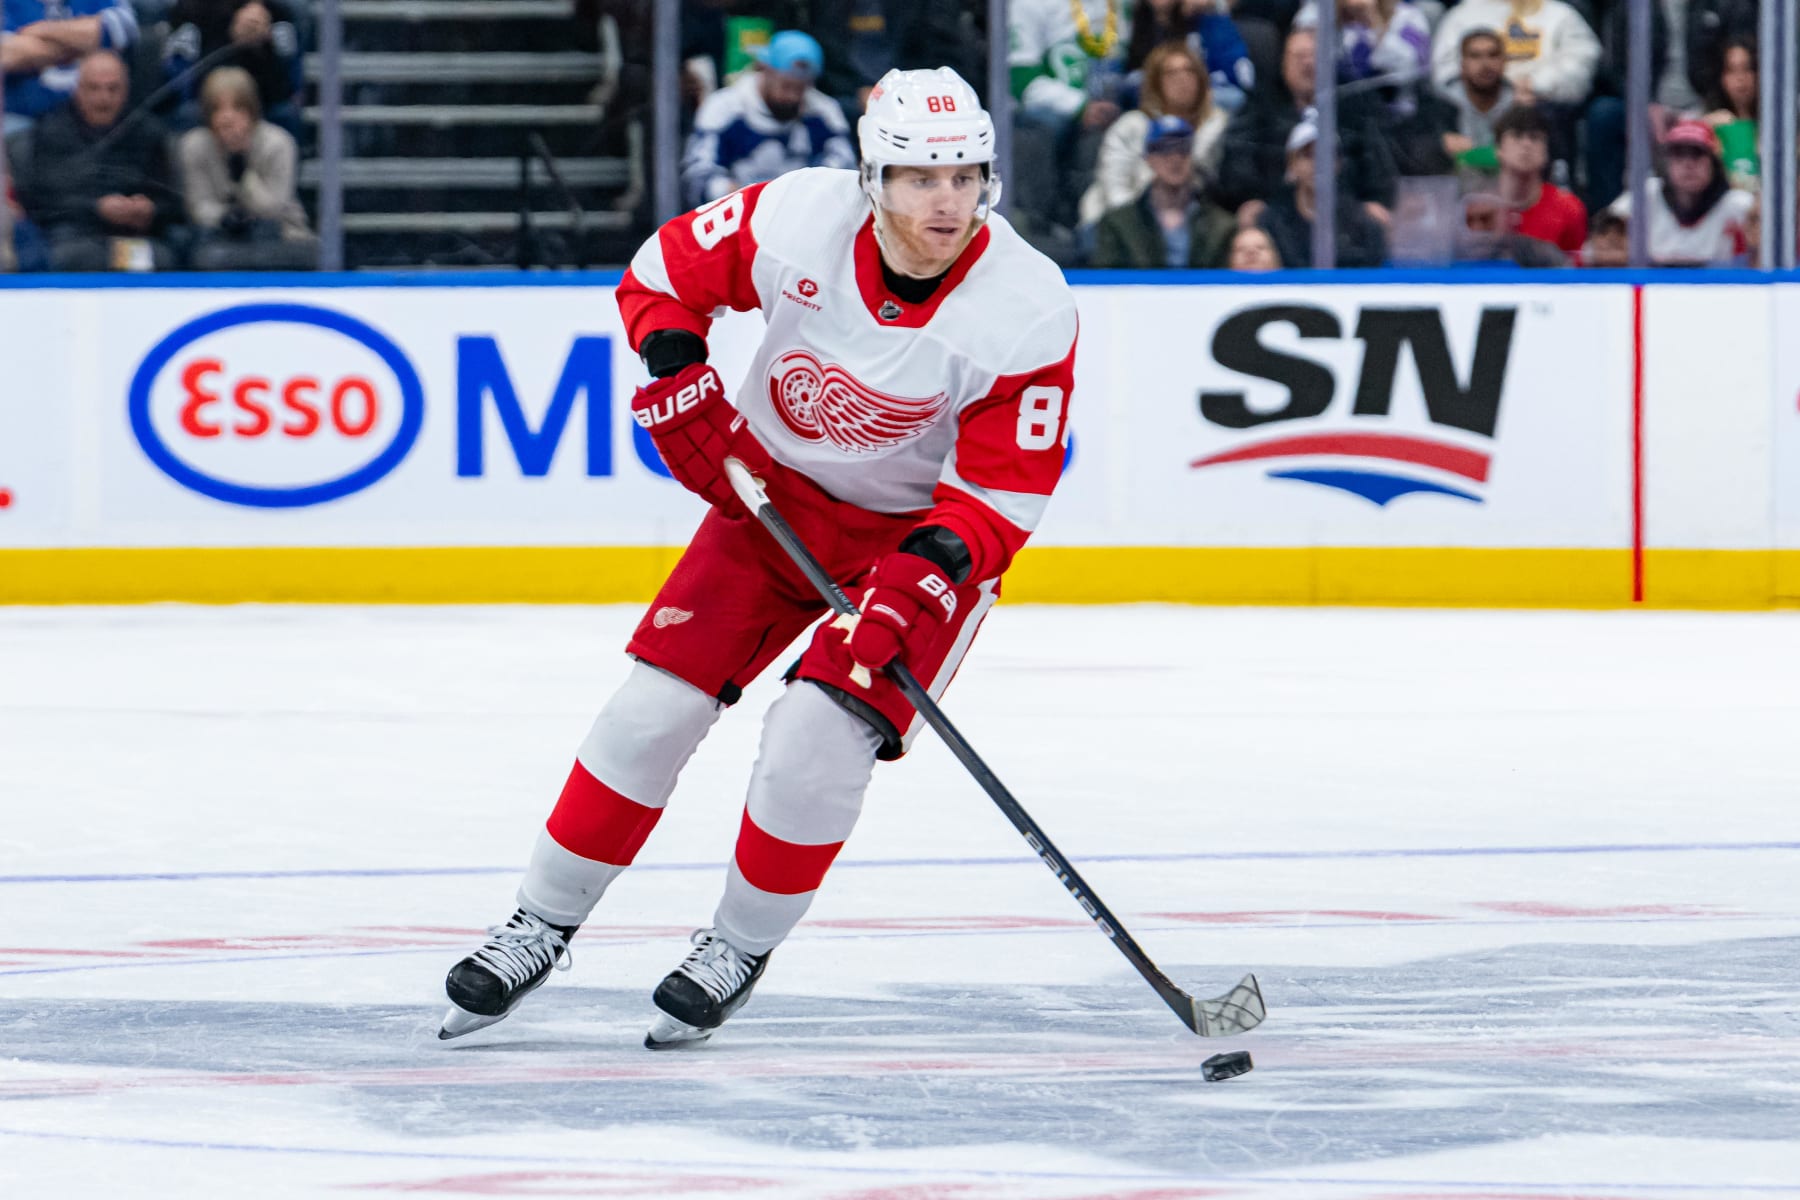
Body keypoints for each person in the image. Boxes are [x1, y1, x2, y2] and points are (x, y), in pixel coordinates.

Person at [438, 66, 1079, 1050]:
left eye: (964, 176)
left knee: (814, 742)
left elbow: (998, 500)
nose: (945, 200)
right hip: (770, 501)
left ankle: (736, 946)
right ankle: (540, 922)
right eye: (918, 177)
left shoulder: (1027, 307)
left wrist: (915, 586)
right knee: (651, 711)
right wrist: (676, 370)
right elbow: (660, 278)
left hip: (915, 548)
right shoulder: (795, 217)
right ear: (872, 179)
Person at [18, 50, 180, 271]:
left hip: (135, 236)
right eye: (94, 88)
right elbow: (42, 200)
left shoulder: (147, 132)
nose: (104, 98)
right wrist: (96, 208)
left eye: (113, 89)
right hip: (74, 235)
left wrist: (148, 209)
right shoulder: (52, 131)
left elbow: (172, 201)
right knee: (71, 256)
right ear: (77, 90)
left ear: (126, 90)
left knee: (162, 258)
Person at [1216, 26, 1396, 221]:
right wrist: (1250, 198)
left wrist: (1376, 201)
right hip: (1276, 213)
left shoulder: (1352, 105)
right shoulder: (1261, 105)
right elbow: (1239, 160)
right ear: (1284, 64)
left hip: (1345, 212)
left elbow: (1377, 162)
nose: (1308, 63)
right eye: (1299, 56)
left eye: (1314, 55)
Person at [680, 29, 856, 208]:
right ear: (764, 69)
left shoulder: (824, 112)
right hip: (735, 216)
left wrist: (808, 196)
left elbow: (845, 173)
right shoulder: (724, 108)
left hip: (802, 214)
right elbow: (697, 177)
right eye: (786, 86)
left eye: (801, 89)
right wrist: (739, 195)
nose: (793, 98)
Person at [177, 65, 315, 269]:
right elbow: (198, 208)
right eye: (217, 109)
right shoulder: (193, 146)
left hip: (281, 234)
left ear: (253, 110)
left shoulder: (278, 143)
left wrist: (243, 176)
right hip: (217, 235)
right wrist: (227, 218)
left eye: (237, 108)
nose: (227, 118)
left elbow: (274, 209)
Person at [1080, 42, 1226, 229]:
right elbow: (1113, 186)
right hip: (1114, 221)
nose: (1182, 79)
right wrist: (1143, 230)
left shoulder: (1218, 126)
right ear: (1156, 82)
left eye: (1189, 71)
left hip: (1188, 227)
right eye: (1171, 73)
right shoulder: (1131, 126)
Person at [1092, 114, 1235, 267]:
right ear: (1149, 158)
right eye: (1164, 149)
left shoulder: (1221, 225)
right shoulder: (1119, 223)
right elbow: (1107, 280)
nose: (1175, 158)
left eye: (1183, 148)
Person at [1608, 118, 1754, 266]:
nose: (1688, 164)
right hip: (1655, 284)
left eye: (1697, 154)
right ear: (1667, 163)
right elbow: (1605, 232)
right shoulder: (1648, 194)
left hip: (1720, 286)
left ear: (1714, 162)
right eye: (1679, 154)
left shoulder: (1737, 204)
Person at [1252, 114, 1388, 268]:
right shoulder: (1270, 223)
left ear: (1337, 164)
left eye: (1325, 155)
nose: (1317, 164)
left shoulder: (1363, 224)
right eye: (1308, 155)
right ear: (1292, 164)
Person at [163, 0, 304, 138]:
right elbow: (178, 88)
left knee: (285, 113)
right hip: (206, 109)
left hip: (264, 106)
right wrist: (232, 40)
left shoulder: (279, 13)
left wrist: (261, 48)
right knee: (187, 114)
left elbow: (286, 89)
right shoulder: (190, 9)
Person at [1, 0, 138, 134]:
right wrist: (84, 43)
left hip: (94, 122)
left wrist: (40, 30)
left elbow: (123, 29)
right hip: (22, 121)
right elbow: (7, 53)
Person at [1125, 0, 1255, 112]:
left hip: (1205, 89)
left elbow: (1236, 73)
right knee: (1134, 81)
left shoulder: (1205, 18)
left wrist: (1211, 9)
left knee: (1232, 98)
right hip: (1157, 92)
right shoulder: (1140, 20)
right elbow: (1133, 68)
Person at [1492, 104, 1585, 257]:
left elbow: (1574, 273)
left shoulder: (1569, 209)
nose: (1526, 144)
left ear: (1547, 152)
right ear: (1498, 149)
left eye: (1535, 138)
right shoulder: (1478, 208)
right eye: (1516, 135)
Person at [1700, 38, 1758, 192]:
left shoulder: (1778, 125)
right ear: (1721, 77)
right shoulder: (1712, 124)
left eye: (1747, 69)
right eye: (1732, 70)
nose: (1741, 78)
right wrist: (1704, 126)